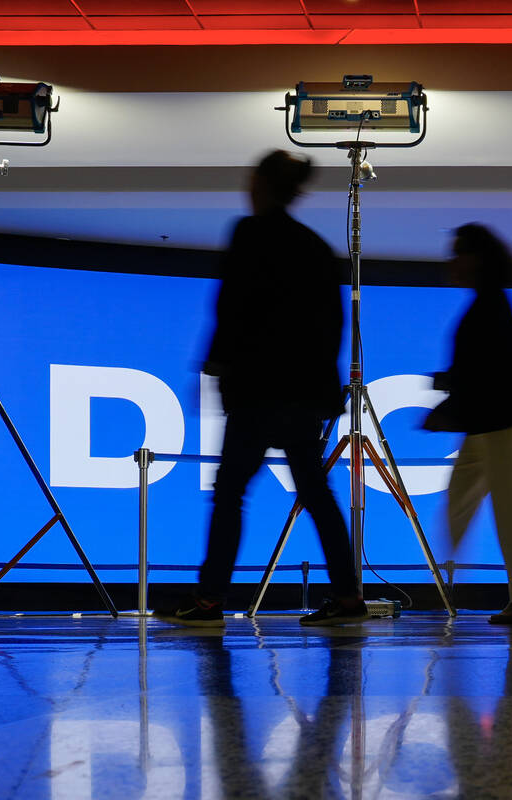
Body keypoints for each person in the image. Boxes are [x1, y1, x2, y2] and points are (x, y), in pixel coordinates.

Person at [155, 149, 365, 627]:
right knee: (316, 494)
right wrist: (326, 394)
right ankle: (350, 598)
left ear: (263, 185)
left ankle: (209, 599)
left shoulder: (249, 233)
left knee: (230, 493)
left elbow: (232, 308)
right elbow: (332, 325)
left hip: (257, 391)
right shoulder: (315, 247)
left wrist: (214, 365)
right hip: (303, 396)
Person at [426, 223, 512, 625]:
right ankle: (457, 572)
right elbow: (489, 366)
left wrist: (450, 390)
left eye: (458, 253)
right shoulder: (489, 302)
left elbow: (490, 369)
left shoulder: (489, 304)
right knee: (475, 493)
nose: (452, 262)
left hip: (500, 416)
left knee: (504, 502)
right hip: (495, 417)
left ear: (476, 259)